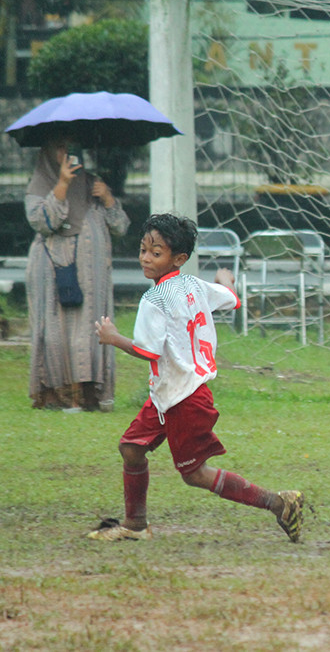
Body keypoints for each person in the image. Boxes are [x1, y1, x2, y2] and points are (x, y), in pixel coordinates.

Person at [88, 214, 304, 542]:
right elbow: (232, 300)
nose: (146, 258)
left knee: (194, 474)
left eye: (155, 252)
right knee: (131, 448)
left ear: (179, 259)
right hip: (168, 394)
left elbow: (147, 351)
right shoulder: (194, 285)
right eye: (143, 249)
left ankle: (278, 503)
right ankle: (135, 525)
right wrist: (225, 279)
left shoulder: (154, 299)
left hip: (184, 398)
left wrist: (113, 336)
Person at [25, 134, 130, 411]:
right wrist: (62, 185)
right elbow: (43, 222)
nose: (67, 153)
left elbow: (121, 227)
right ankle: (58, 397)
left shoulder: (92, 183)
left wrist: (107, 198)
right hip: (54, 274)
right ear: (48, 152)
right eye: (60, 147)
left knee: (90, 332)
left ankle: (89, 396)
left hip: (93, 278)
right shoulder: (40, 185)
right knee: (57, 333)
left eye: (70, 147)